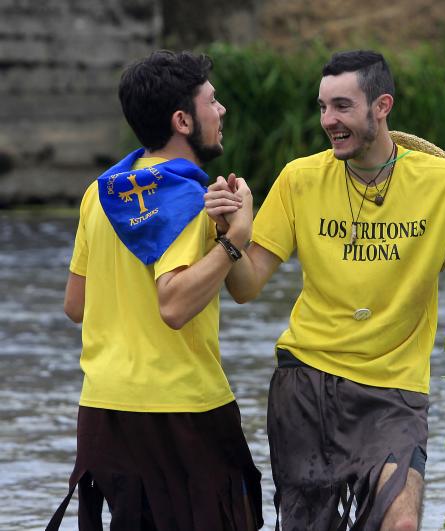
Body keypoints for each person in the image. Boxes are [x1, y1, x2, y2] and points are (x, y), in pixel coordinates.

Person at [205, 49, 445, 530]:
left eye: (342, 106)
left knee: (400, 523)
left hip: (394, 390)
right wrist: (228, 237)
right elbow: (246, 287)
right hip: (307, 382)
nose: (328, 121)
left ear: (382, 106)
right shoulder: (299, 178)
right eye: (322, 107)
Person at [47, 50, 263, 530]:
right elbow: (174, 304)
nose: (222, 109)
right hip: (179, 409)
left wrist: (228, 229)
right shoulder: (185, 197)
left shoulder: (100, 193)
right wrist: (235, 240)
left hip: (104, 409)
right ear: (183, 119)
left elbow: (74, 305)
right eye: (212, 100)